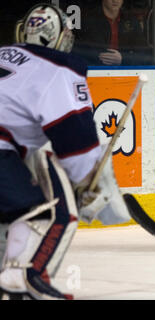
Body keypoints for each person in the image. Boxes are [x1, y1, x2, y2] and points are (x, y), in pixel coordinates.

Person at [0, 3, 130, 299]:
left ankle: (13, 282)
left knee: (9, 216)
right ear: (59, 37)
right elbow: (76, 143)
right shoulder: (58, 68)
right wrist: (87, 185)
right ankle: (22, 279)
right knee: (39, 214)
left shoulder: (4, 53)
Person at [72, 0, 152, 65]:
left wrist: (123, 59)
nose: (115, 1)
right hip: (95, 73)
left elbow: (144, 54)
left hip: (126, 73)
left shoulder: (131, 20)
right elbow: (81, 52)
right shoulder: (88, 20)